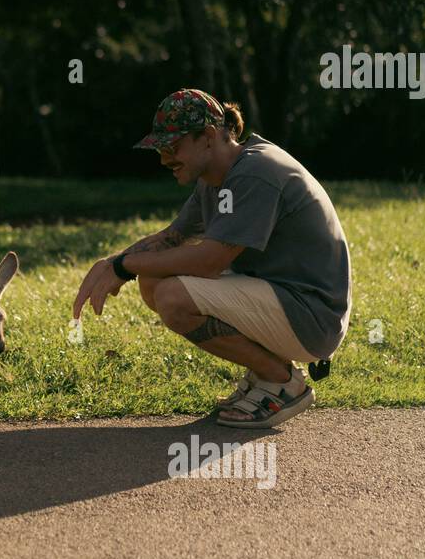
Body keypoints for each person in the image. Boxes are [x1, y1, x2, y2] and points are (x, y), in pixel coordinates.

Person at [72, 88, 352, 427]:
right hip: (288, 301)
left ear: (206, 137)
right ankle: (267, 374)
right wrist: (112, 262)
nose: (163, 159)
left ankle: (279, 382)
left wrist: (124, 266)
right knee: (154, 282)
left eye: (172, 147)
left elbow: (210, 261)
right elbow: (171, 238)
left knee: (173, 298)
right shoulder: (217, 177)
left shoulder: (254, 172)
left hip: (312, 317)